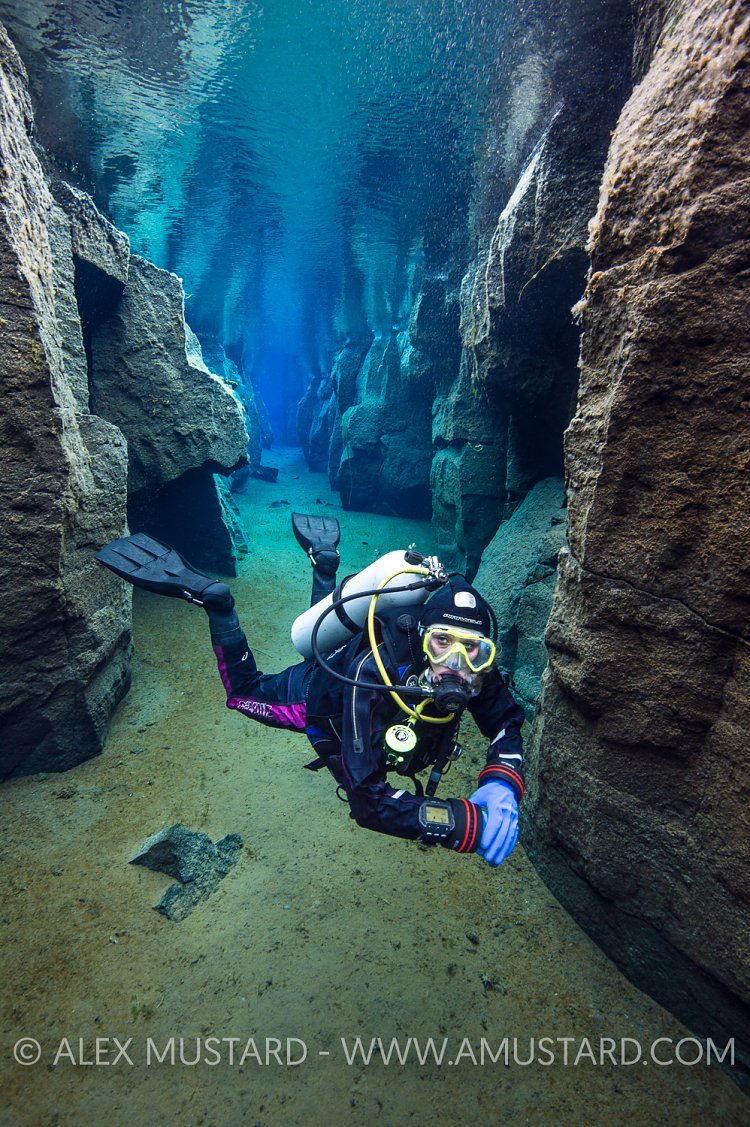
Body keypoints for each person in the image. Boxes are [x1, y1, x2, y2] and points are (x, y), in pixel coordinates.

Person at [97, 514, 525, 867]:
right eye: (442, 643)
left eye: (473, 650)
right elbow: (368, 800)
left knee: (332, 635)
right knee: (244, 692)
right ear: (419, 636)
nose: (456, 664)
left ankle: (325, 565)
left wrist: (504, 780)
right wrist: (462, 823)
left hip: (349, 650)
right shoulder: (368, 678)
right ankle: (216, 602)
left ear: (487, 653)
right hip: (318, 695)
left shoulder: (475, 670)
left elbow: (506, 719)